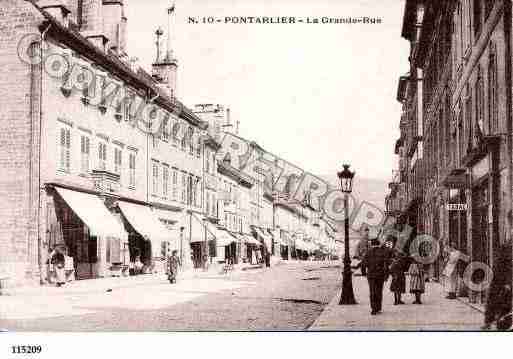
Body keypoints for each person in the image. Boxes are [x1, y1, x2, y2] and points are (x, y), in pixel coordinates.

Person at [482, 242, 512, 330]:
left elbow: (509, 270)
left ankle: (499, 323)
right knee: (494, 301)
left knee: (503, 303)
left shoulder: (506, 252)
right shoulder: (505, 250)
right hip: (498, 281)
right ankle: (490, 322)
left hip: (504, 283)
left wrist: (508, 283)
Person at [362, 238, 391, 315]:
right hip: (380, 275)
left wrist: (364, 273)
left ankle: (373, 308)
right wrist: (386, 275)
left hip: (371, 275)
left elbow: (363, 264)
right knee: (379, 291)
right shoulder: (383, 252)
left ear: (371, 244)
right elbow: (386, 265)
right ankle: (378, 307)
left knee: (372, 291)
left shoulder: (368, 252)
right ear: (378, 244)